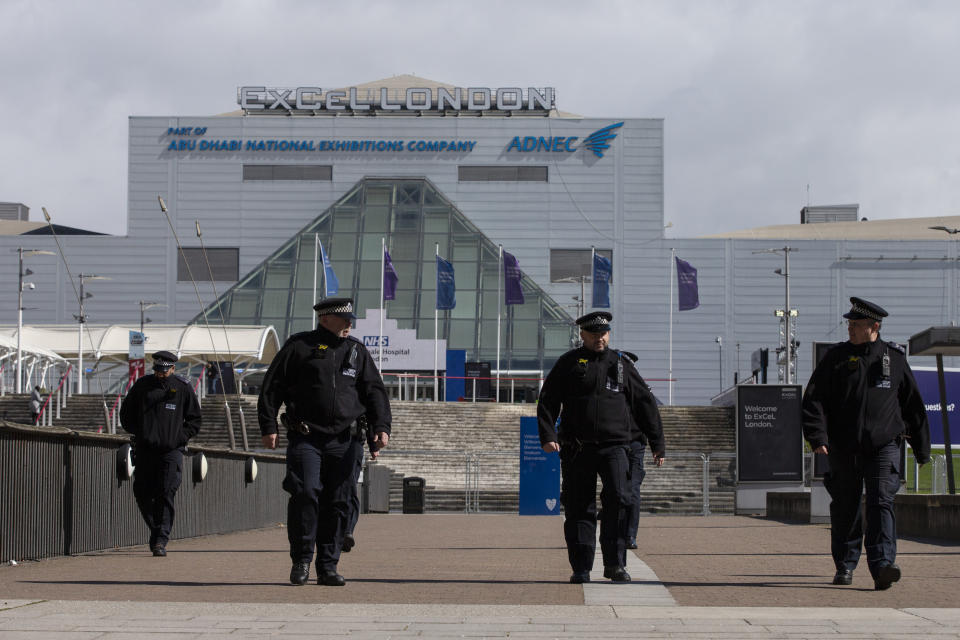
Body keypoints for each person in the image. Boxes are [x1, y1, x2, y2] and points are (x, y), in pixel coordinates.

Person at [258, 297, 391, 586]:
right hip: (307, 437)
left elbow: (375, 393)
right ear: (325, 318)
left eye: (350, 321)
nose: (349, 325)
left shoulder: (357, 351)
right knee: (305, 492)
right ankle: (302, 559)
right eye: (345, 320)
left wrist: (381, 427)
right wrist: (269, 426)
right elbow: (271, 388)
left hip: (347, 441)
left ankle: (328, 566)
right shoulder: (299, 346)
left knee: (339, 502)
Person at [801, 297, 930, 590]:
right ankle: (845, 565)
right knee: (846, 506)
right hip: (844, 446)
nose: (850, 329)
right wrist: (817, 436)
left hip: (884, 445)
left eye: (856, 325)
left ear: (875, 327)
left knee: (880, 501)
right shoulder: (835, 359)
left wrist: (922, 449)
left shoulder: (894, 359)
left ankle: (883, 565)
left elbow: (913, 406)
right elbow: (814, 400)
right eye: (849, 324)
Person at [538, 311, 665, 584]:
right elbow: (548, 400)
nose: (600, 338)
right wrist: (548, 435)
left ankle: (615, 565)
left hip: (616, 447)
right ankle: (581, 567)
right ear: (582, 334)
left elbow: (645, 403)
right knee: (578, 507)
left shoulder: (621, 363)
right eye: (594, 334)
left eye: (604, 333)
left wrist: (657, 443)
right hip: (577, 448)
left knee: (619, 501)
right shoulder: (569, 363)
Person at [119, 350, 202, 557]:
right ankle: (157, 530)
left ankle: (160, 540)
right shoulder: (142, 386)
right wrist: (141, 433)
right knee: (142, 493)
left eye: (164, 371)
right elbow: (126, 415)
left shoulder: (182, 388)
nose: (160, 374)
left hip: (171, 451)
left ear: (173, 368)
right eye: (157, 370)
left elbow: (194, 420)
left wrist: (178, 438)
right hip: (146, 450)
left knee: (166, 493)